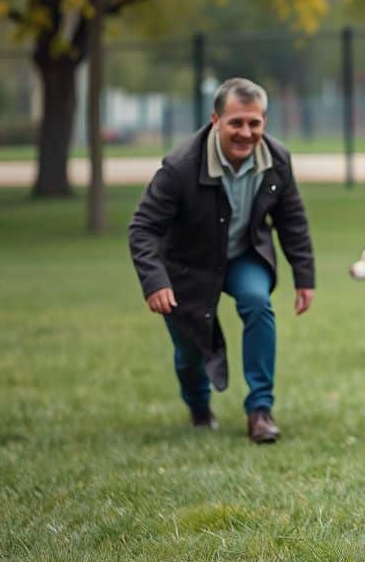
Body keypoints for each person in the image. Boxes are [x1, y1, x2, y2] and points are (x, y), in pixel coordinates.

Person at [129, 77, 314, 443]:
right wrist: (156, 281)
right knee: (189, 349)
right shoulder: (180, 166)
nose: (246, 132)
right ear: (216, 121)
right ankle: (199, 407)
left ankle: (260, 411)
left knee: (258, 304)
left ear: (264, 121)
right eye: (236, 123)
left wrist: (304, 277)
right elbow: (143, 227)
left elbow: (292, 220)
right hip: (187, 267)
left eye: (254, 123)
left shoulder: (277, 160)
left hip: (244, 255)